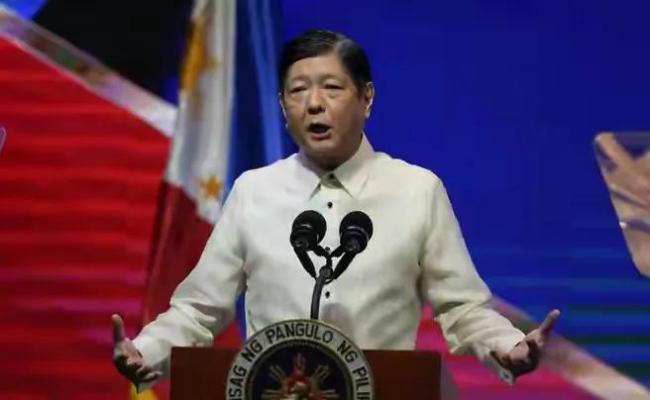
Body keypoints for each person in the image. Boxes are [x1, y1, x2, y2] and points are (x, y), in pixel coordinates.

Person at [112, 29, 560, 389]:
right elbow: (198, 310)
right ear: (283, 107)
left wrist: (509, 346)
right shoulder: (253, 191)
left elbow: (463, 309)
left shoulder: (416, 191)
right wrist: (146, 351)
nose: (314, 104)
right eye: (297, 91)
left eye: (331, 88)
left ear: (367, 98)